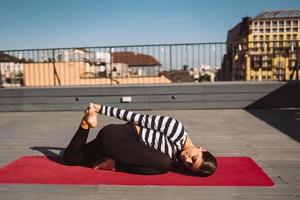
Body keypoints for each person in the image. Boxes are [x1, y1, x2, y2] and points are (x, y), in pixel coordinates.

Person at [63, 103, 217, 176]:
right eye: (194, 158)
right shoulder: (175, 128)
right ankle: (114, 163)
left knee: (71, 158)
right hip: (117, 137)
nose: (188, 161)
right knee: (164, 164)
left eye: (190, 166)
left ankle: (85, 123)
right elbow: (137, 118)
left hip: (115, 150)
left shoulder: (176, 158)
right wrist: (100, 109)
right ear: (202, 149)